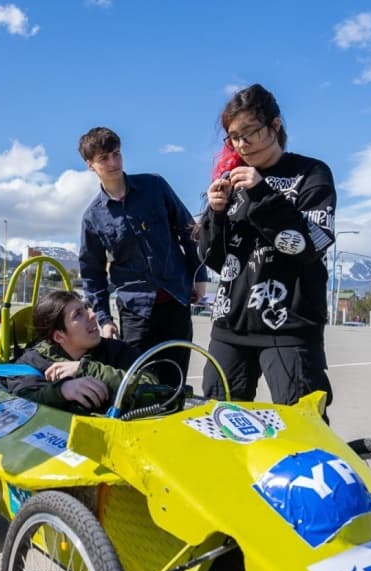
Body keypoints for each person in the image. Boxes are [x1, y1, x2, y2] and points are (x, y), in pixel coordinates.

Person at [196, 84, 335, 415]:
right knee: (219, 425)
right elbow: (214, 259)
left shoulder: (311, 173)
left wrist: (262, 194)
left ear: (275, 126)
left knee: (302, 427)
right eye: (234, 137)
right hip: (230, 326)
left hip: (289, 328)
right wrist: (214, 215)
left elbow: (309, 243)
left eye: (251, 133)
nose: (242, 144)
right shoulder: (232, 180)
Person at [78, 127, 206, 388]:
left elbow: (188, 230)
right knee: (140, 385)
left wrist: (199, 277)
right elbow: (92, 274)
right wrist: (104, 319)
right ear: (90, 165)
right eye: (104, 158)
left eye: (116, 154)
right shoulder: (93, 217)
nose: (113, 163)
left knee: (175, 382)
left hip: (176, 300)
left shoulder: (154, 186)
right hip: (135, 312)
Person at [7, 290, 157, 413]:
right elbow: (20, 404)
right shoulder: (31, 364)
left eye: (86, 308)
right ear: (59, 336)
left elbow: (154, 389)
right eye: (78, 314)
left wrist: (85, 369)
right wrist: (61, 391)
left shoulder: (117, 350)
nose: (92, 315)